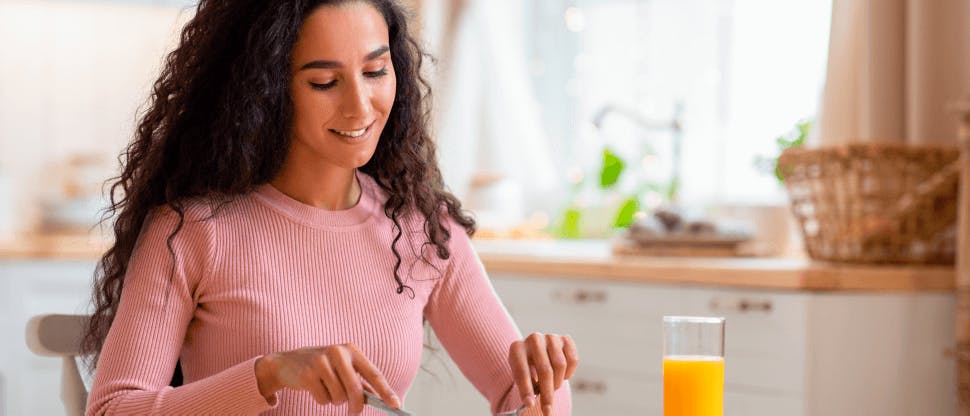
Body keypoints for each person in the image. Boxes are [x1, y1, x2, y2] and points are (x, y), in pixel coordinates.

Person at [82, 0, 578, 415]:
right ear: (266, 90)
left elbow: (522, 395)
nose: (361, 107)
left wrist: (544, 383)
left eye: (375, 71)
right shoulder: (192, 232)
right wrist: (269, 373)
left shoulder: (421, 229)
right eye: (324, 82)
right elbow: (113, 409)